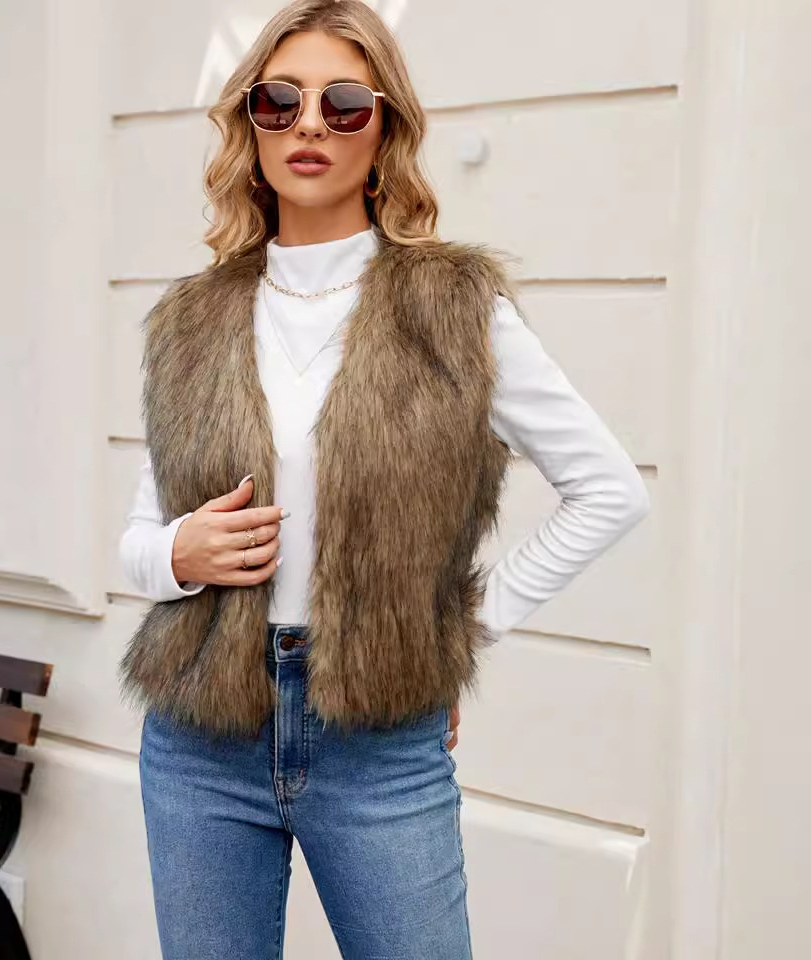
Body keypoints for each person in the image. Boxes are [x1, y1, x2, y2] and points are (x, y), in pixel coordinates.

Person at [118, 1, 650, 957]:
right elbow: (138, 541)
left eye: (345, 103)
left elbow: (609, 487)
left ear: (384, 130)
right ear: (251, 129)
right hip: (199, 739)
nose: (310, 124)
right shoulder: (190, 320)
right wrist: (178, 554)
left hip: (378, 744)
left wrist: (456, 633)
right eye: (279, 102)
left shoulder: (454, 307)